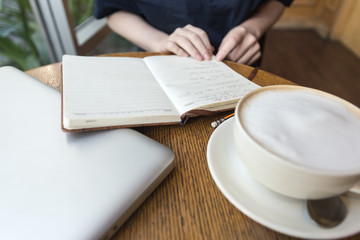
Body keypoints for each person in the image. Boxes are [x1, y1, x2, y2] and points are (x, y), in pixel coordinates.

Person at [94, 0, 293, 66]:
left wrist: (253, 28)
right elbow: (112, 9)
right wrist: (160, 42)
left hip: (240, 62)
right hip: (160, 60)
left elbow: (278, 1)